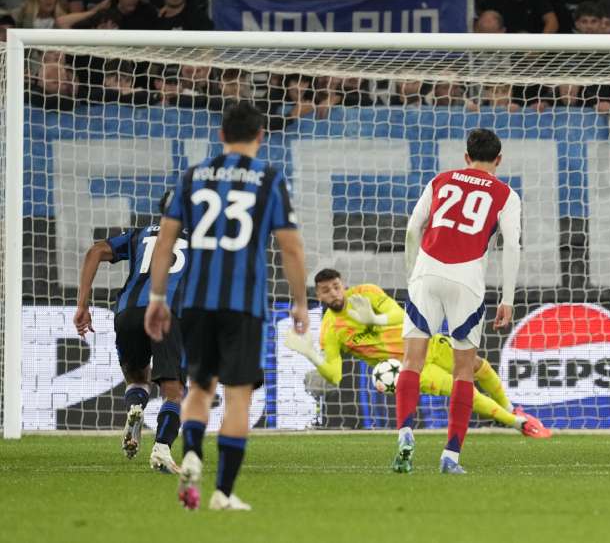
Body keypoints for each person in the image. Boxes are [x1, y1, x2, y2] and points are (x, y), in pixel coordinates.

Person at [145, 101, 309, 510]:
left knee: (199, 389)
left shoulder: (193, 176)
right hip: (244, 304)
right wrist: (301, 302)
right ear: (261, 136)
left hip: (197, 302)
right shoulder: (268, 178)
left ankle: (193, 451)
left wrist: (158, 297)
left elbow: (164, 242)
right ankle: (223, 492)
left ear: (220, 136)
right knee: (238, 397)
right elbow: (290, 247)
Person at [283, 269, 549, 438]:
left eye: (336, 286)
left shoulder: (366, 293)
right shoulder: (331, 329)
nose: (333, 292)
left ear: (343, 284)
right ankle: (520, 425)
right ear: (319, 295)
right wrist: (310, 353)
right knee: (464, 390)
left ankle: (513, 408)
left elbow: (401, 315)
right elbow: (335, 375)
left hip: (427, 342)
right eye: (326, 290)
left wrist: (375, 319)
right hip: (411, 368)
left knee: (480, 366)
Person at [395, 128, 522, 475]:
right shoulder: (506, 194)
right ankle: (450, 456)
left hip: (427, 272)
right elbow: (512, 246)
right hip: (467, 280)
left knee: (411, 361)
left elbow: (412, 228)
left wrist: (413, 275)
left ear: (466, 157)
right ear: (499, 160)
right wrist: (507, 299)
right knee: (464, 369)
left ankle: (405, 433)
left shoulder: (441, 180)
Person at [73, 189, 188, 474]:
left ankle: (136, 407)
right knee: (174, 392)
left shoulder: (140, 234)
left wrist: (82, 305)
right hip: (167, 314)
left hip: (129, 313)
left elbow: (95, 251)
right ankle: (162, 448)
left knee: (137, 378)